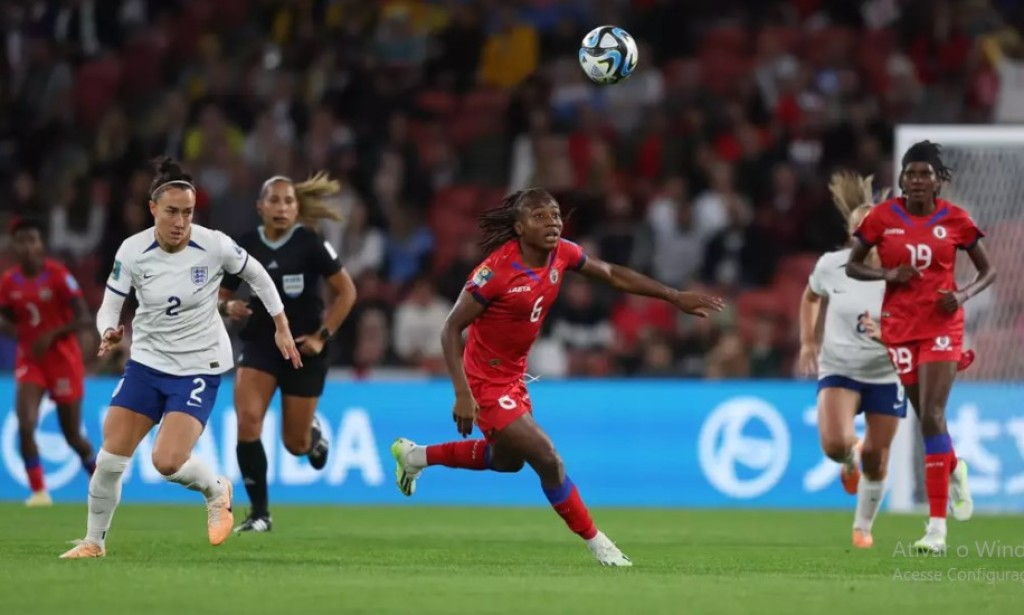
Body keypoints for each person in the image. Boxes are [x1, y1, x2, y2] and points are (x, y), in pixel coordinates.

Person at [391, 188, 724, 566]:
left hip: (514, 377)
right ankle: (600, 544)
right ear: (519, 227)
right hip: (483, 380)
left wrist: (672, 295)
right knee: (548, 459)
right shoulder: (496, 271)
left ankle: (415, 456)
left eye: (554, 215)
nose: (551, 222)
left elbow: (612, 273)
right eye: (539, 216)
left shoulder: (563, 253)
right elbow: (451, 329)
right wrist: (462, 393)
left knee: (507, 462)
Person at [59, 157, 301, 559]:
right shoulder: (133, 251)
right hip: (147, 364)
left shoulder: (214, 244)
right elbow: (110, 306)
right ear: (153, 209)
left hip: (198, 368)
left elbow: (257, 274)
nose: (180, 221)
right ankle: (94, 542)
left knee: (167, 461)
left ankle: (215, 489)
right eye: (172, 212)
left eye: (187, 213)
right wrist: (109, 330)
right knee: (109, 459)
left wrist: (281, 325)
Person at [847, 140, 997, 553]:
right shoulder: (881, 217)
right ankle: (954, 467)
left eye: (925, 173)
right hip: (900, 326)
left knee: (932, 414)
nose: (917, 180)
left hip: (943, 323)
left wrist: (963, 295)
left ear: (937, 181)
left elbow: (990, 270)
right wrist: (890, 274)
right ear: (902, 178)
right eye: (910, 173)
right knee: (926, 419)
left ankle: (936, 530)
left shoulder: (957, 220)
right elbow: (853, 265)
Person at [220, 173, 357, 533]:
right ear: (260, 207)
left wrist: (322, 337)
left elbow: (347, 293)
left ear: (297, 208)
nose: (282, 208)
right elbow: (220, 296)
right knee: (248, 421)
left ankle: (313, 439)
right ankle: (260, 514)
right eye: (275, 201)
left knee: (295, 445)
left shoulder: (311, 242)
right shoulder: (245, 245)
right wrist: (228, 306)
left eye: (289, 201)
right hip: (261, 345)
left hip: (303, 349)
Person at [797, 173, 906, 549]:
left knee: (878, 457)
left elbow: (923, 319)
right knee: (834, 445)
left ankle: (863, 527)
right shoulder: (832, 265)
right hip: (840, 367)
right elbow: (811, 297)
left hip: (887, 372)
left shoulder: (901, 272)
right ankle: (848, 457)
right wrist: (808, 341)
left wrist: (890, 331)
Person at [0, 217, 95, 506]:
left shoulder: (58, 276)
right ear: (15, 246)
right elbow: (5, 314)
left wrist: (50, 334)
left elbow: (84, 317)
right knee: (26, 424)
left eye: (33, 239)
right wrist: (12, 330)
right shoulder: (8, 281)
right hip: (31, 360)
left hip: (63, 360)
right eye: (23, 240)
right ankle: (39, 492)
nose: (28, 246)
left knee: (72, 437)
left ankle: (100, 479)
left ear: (41, 244)